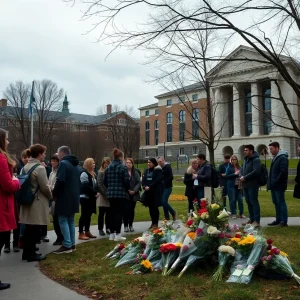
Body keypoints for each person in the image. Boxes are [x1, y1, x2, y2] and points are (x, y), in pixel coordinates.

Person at [19, 144, 52, 262]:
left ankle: (27, 252)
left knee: (28, 228)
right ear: (39, 154)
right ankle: (31, 254)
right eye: (43, 153)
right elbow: (45, 187)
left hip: (26, 201)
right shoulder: (39, 168)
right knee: (34, 229)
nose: (44, 155)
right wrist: (51, 196)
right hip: (37, 202)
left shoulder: (25, 166)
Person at [0, 128, 21, 290]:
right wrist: (16, 181)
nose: (8, 142)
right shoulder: (1, 158)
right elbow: (7, 185)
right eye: (6, 139)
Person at [52, 146, 80, 254]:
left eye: (58, 155)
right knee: (71, 221)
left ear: (63, 153)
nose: (58, 157)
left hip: (64, 197)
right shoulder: (76, 165)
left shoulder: (63, 164)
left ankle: (67, 244)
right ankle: (72, 244)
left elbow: (60, 181)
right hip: (74, 196)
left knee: (62, 220)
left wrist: (54, 194)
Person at [103, 148, 130, 242]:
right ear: (121, 157)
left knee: (111, 213)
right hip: (120, 193)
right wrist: (126, 188)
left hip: (110, 193)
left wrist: (110, 187)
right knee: (119, 214)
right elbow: (127, 181)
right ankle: (118, 234)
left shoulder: (108, 167)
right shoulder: (123, 167)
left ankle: (112, 234)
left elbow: (104, 181)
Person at [267, 142, 289, 226]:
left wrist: (276, 181)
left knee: (281, 202)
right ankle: (278, 219)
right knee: (275, 202)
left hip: (278, 185)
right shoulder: (275, 157)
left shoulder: (282, 158)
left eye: (271, 149)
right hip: (274, 184)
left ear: (277, 148)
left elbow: (283, 171)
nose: (270, 151)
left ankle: (284, 221)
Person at [240, 144, 261, 228]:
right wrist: (241, 176)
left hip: (252, 184)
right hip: (245, 184)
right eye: (244, 150)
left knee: (254, 202)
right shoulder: (245, 160)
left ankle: (257, 221)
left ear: (251, 151)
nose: (244, 151)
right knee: (248, 202)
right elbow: (241, 169)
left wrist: (245, 177)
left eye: (246, 150)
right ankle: (251, 219)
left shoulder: (256, 160)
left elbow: (256, 171)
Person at [78, 158, 99, 240]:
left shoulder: (93, 174)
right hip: (85, 197)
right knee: (84, 215)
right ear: (88, 164)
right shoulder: (84, 174)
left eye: (94, 163)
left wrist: (96, 192)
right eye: (92, 163)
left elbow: (94, 186)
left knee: (89, 215)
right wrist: (95, 193)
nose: (94, 164)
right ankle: (80, 233)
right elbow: (86, 186)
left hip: (91, 198)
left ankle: (87, 231)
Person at [142, 158, 163, 229]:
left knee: (155, 208)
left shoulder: (157, 170)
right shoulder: (146, 171)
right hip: (148, 192)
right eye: (148, 162)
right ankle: (152, 223)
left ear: (154, 163)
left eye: (150, 162)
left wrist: (150, 186)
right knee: (150, 208)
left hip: (155, 192)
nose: (148, 164)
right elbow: (143, 179)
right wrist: (144, 186)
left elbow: (158, 180)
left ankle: (156, 223)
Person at [49, 154, 63, 245]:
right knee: (54, 218)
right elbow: (49, 182)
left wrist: (50, 187)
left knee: (58, 218)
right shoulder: (51, 172)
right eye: (52, 161)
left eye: (55, 161)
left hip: (58, 197)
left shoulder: (59, 172)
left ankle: (61, 237)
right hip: (52, 197)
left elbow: (57, 185)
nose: (52, 162)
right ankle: (59, 236)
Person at [123, 158, 141, 232]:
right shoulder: (123, 172)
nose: (128, 164)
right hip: (125, 194)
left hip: (134, 194)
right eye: (127, 163)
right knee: (125, 210)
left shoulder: (135, 172)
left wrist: (134, 190)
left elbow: (138, 182)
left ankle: (131, 225)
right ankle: (125, 226)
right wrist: (127, 190)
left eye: (130, 163)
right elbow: (122, 182)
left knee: (131, 210)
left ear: (132, 164)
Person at [157, 157, 176, 221]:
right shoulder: (162, 168)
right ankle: (166, 216)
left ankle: (172, 212)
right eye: (158, 162)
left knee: (164, 202)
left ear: (164, 160)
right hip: (163, 187)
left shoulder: (167, 167)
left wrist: (163, 181)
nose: (159, 163)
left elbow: (171, 177)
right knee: (164, 202)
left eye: (160, 161)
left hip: (167, 187)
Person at [97, 157, 111, 236]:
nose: (106, 165)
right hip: (103, 196)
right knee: (101, 213)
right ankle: (100, 229)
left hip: (109, 195)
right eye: (105, 163)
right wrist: (106, 194)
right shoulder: (101, 172)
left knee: (109, 213)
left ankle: (108, 228)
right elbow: (99, 184)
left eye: (108, 163)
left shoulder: (110, 172)